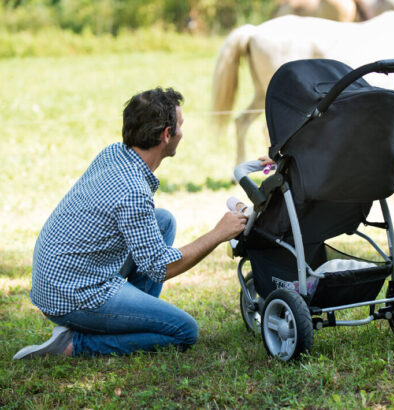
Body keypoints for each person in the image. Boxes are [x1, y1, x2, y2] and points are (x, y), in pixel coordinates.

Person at [13, 87, 247, 359]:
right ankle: (74, 345)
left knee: (163, 222)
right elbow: (161, 267)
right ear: (166, 135)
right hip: (72, 296)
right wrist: (218, 234)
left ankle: (128, 317)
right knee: (184, 331)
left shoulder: (115, 153)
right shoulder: (133, 190)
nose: (183, 132)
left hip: (63, 276)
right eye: (180, 125)